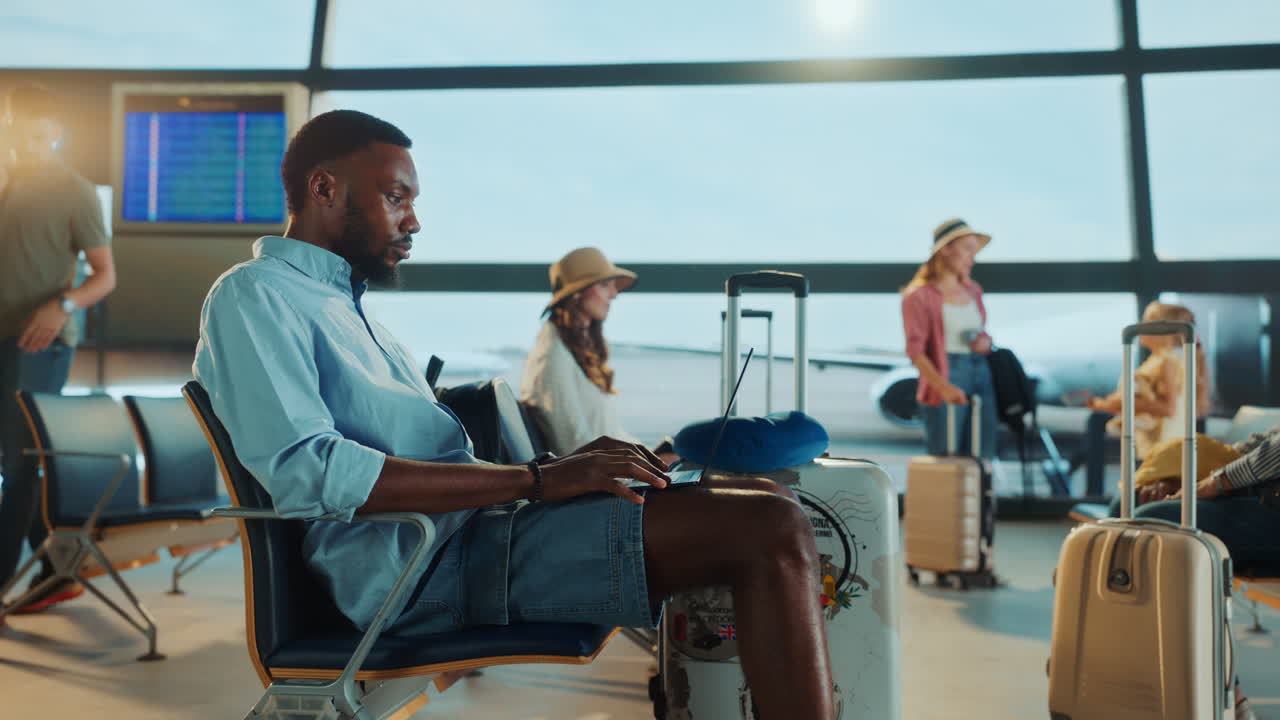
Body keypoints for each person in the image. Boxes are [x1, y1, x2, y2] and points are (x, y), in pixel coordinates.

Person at [194, 109, 835, 718]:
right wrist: (534, 481)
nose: (413, 222)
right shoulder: (256, 297)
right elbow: (311, 472)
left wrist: (554, 470)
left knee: (753, 494)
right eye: (396, 198)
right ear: (324, 187)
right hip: (425, 566)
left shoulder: (353, 313)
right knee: (769, 526)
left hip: (470, 532)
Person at [0, 83, 117, 614]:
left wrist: (63, 306)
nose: (31, 140)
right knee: (13, 459)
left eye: (42, 132)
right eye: (22, 129)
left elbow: (105, 276)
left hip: (39, 342)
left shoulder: (73, 190)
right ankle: (56, 571)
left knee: (20, 459)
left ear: (56, 136)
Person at [1132, 425, 1280, 720]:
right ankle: (1191, 687)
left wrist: (1217, 481)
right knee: (1134, 502)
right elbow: (1265, 442)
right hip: (1259, 493)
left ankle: (1221, 693)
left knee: (1156, 525)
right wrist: (1179, 477)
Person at [520, 248, 674, 461]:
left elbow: (606, 435)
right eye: (604, 285)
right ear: (577, 293)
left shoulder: (574, 352)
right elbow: (575, 449)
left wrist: (653, 454)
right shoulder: (552, 359)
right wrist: (652, 463)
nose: (614, 294)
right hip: (604, 484)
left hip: (615, 472)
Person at [901, 218, 997, 458]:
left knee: (982, 452)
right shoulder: (918, 296)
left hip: (980, 370)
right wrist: (943, 388)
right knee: (946, 453)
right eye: (967, 249)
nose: (972, 257)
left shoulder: (973, 290)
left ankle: (978, 496)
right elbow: (915, 351)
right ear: (945, 250)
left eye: (975, 250)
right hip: (945, 372)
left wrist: (985, 342)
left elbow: (982, 330)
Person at [1087, 301, 1212, 461]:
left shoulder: (1168, 361)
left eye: (1146, 322)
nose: (1141, 327)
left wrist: (1120, 403)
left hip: (1162, 450)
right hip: (1153, 448)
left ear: (1163, 330)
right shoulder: (1158, 360)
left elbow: (1168, 409)